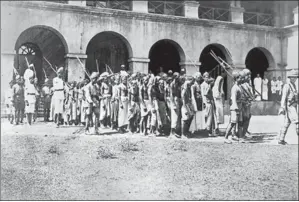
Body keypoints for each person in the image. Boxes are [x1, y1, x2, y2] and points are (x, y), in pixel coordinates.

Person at [278, 69, 299, 145]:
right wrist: (282, 107)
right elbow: (283, 97)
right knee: (297, 122)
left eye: (296, 77)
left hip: (294, 106)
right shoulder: (287, 86)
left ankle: (281, 139)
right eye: (293, 77)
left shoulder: (294, 86)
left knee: (287, 123)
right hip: (290, 106)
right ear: (290, 78)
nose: (295, 78)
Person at [224, 70, 243, 144]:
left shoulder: (238, 87)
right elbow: (233, 98)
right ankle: (225, 138)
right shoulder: (234, 88)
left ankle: (234, 136)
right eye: (240, 78)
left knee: (237, 123)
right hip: (235, 108)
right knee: (232, 123)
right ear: (236, 79)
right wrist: (235, 107)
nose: (241, 79)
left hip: (238, 106)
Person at [168, 72, 182, 138]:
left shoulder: (178, 84)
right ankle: (172, 132)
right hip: (174, 100)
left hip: (178, 100)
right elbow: (171, 95)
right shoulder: (172, 84)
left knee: (177, 117)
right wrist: (173, 104)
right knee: (174, 117)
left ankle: (176, 131)